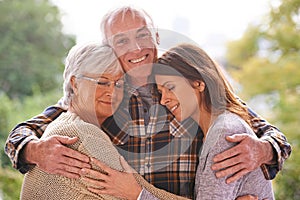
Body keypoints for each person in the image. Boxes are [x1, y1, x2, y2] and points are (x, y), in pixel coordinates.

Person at [5, 5, 291, 199]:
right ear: (110, 49)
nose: (136, 48)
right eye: (122, 41)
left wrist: (264, 150)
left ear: (155, 36)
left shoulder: (184, 84)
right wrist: (33, 150)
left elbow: (267, 132)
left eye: (142, 35)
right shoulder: (105, 96)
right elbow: (27, 131)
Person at [20, 42, 190, 200]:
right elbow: (143, 193)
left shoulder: (65, 123)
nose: (112, 92)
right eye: (102, 82)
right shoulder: (83, 136)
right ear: (75, 84)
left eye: (118, 84)